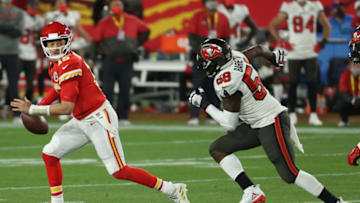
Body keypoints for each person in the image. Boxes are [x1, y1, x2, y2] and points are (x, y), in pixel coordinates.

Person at [10, 21, 189, 203]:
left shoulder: (70, 63)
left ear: (68, 42)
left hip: (98, 118)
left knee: (119, 171)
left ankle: (172, 188)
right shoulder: (57, 63)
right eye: (51, 44)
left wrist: (33, 109)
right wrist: (39, 106)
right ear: (44, 44)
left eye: (59, 43)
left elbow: (66, 107)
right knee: (50, 154)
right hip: (81, 119)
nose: (55, 48)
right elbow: (58, 88)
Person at [189, 38, 347, 203]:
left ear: (215, 62)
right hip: (255, 123)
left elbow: (229, 123)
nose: (202, 65)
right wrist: (273, 57)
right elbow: (257, 49)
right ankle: (251, 191)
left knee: (290, 173)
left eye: (205, 61)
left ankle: (335, 202)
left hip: (271, 121)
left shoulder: (227, 82)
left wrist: (204, 104)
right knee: (218, 149)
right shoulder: (235, 57)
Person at [269, 0, 331, 126]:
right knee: (293, 83)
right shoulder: (289, 7)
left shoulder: (314, 6)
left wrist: (323, 42)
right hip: (294, 52)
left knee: (312, 83)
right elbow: (272, 25)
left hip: (310, 51)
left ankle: (313, 114)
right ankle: (292, 113)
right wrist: (282, 41)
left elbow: (327, 26)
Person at [93, 0, 150, 125]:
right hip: (109, 61)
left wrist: (136, 44)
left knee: (125, 89)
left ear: (123, 7)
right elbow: (96, 40)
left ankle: (123, 116)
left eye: (118, 5)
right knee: (107, 91)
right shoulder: (104, 22)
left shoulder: (132, 20)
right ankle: (107, 117)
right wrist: (94, 57)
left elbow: (146, 30)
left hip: (127, 61)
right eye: (114, 5)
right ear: (109, 7)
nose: (116, 7)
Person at [187, 0, 231, 125]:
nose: (213, 3)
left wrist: (221, 55)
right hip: (200, 57)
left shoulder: (222, 18)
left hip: (216, 59)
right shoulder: (197, 16)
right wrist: (202, 53)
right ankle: (194, 116)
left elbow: (226, 39)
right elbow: (192, 38)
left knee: (214, 87)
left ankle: (212, 116)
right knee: (197, 85)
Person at [0, 0, 24, 123]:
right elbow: (13, 29)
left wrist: (3, 28)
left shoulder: (19, 12)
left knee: (14, 84)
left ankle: (16, 115)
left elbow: (19, 31)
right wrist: (10, 27)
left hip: (13, 53)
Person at [333, 28, 360, 127]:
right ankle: (344, 120)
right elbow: (342, 91)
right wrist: (352, 100)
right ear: (350, 64)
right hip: (351, 101)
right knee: (340, 103)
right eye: (354, 63)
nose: (356, 66)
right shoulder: (345, 74)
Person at [19, 0, 44, 102]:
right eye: (32, 5)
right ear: (28, 6)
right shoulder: (21, 16)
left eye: (36, 6)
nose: (34, 8)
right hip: (19, 53)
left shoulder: (39, 20)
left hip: (32, 54)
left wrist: (41, 55)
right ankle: (10, 102)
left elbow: (39, 39)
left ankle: (27, 102)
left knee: (30, 82)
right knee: (13, 79)